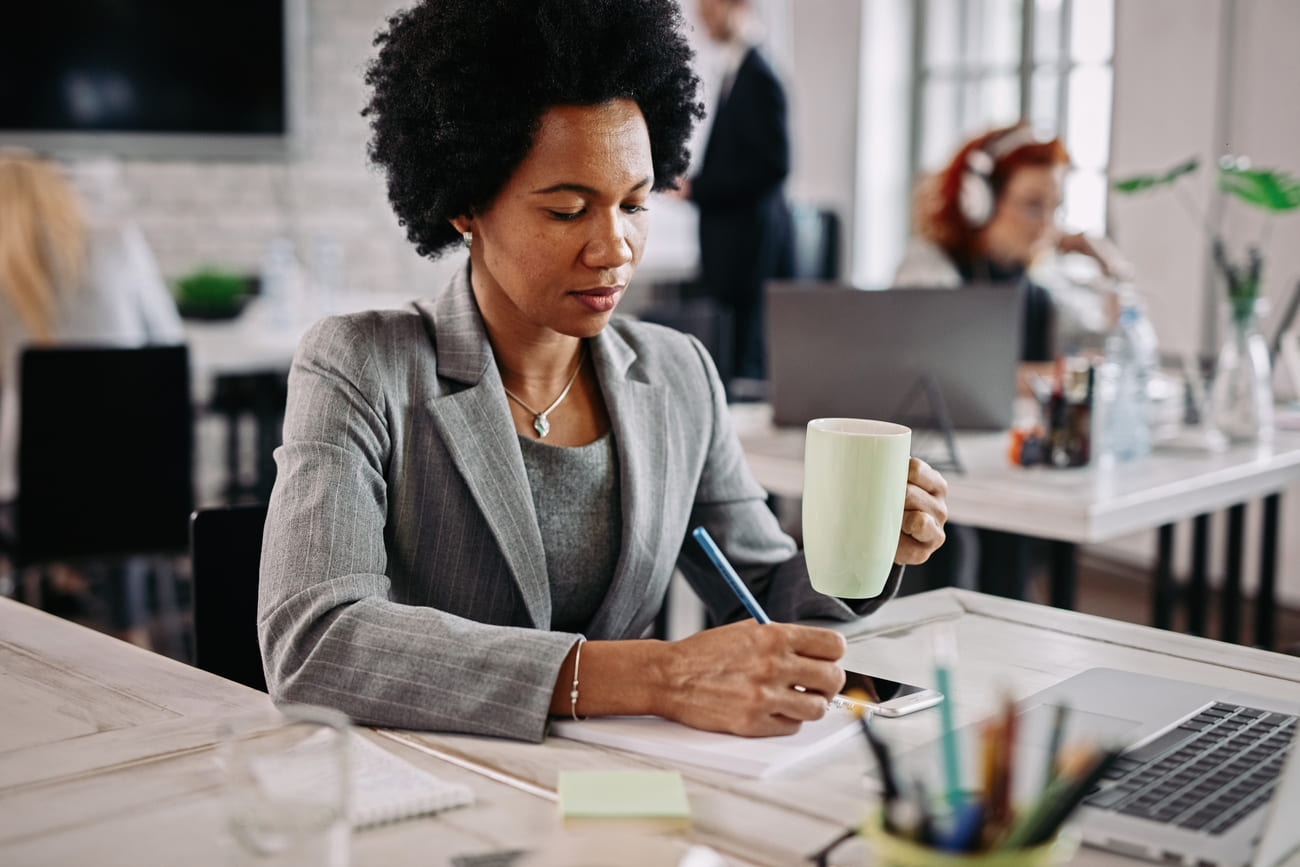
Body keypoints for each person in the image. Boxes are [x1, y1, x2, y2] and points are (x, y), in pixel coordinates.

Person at [257, 0, 949, 744]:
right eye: (566, 211)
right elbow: (318, 639)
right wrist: (656, 675)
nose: (614, 247)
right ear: (466, 205)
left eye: (635, 203)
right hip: (432, 791)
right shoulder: (361, 367)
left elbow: (767, 594)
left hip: (627, 802)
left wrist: (866, 551)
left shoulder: (677, 374)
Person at [0, 149, 184, 645]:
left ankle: (41, 600)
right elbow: (168, 345)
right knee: (112, 472)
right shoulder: (118, 243)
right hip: (136, 489)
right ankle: (133, 626)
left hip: (27, 500)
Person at [894, 122, 1130, 368]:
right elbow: (934, 370)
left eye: (1054, 207)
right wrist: (1049, 378)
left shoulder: (1043, 289)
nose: (1046, 223)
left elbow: (1115, 355)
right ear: (980, 202)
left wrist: (1111, 268)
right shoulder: (928, 271)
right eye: (1033, 205)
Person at [675, 0, 794, 385]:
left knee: (742, 361)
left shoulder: (758, 77)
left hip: (748, 248)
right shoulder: (737, 71)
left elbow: (772, 167)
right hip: (733, 245)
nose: (701, 17)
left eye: (708, 9)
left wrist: (699, 188)